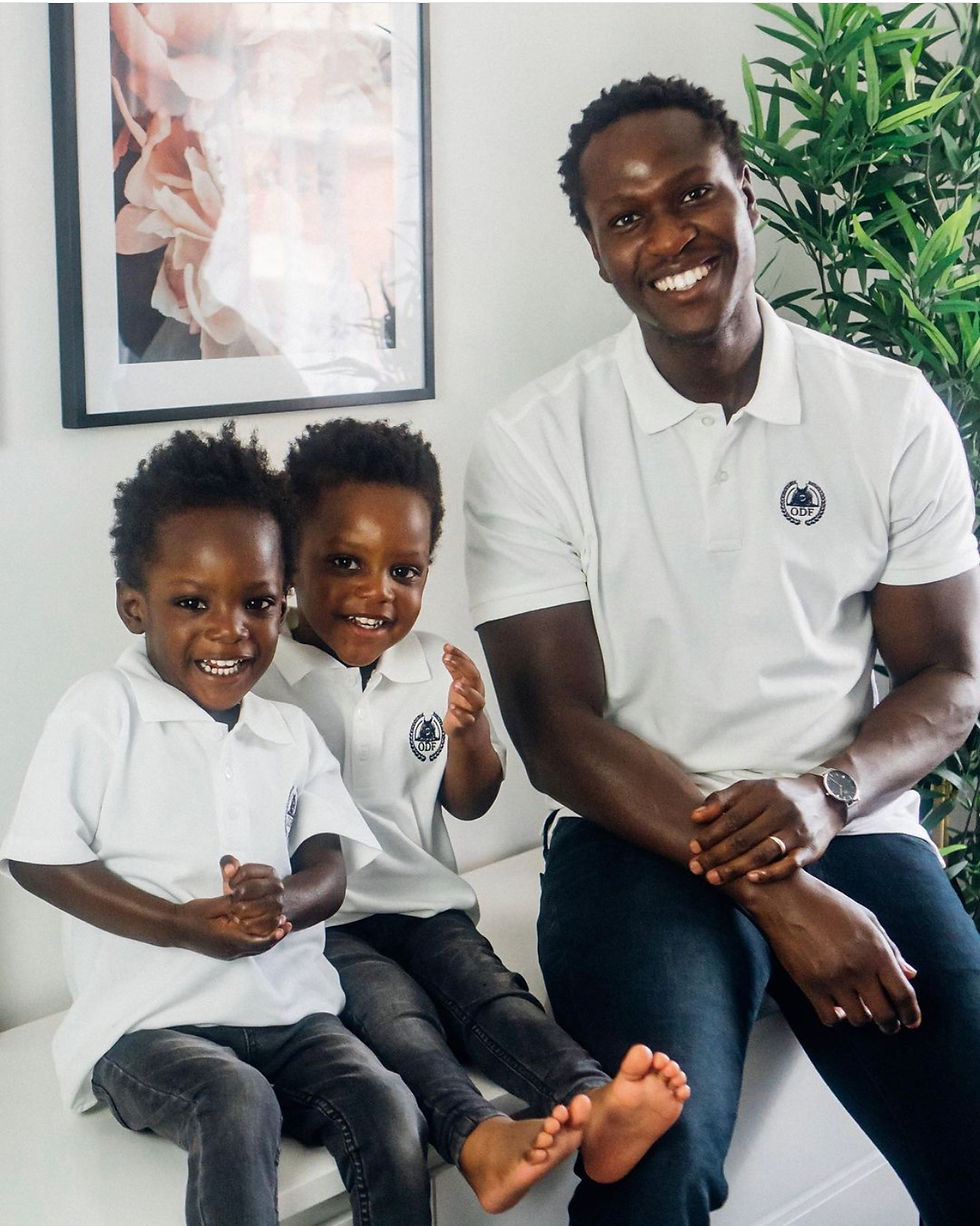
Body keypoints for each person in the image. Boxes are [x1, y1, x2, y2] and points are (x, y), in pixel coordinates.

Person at [464, 74, 980, 1226]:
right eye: (625, 218)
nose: (667, 237)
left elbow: (947, 678)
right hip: (630, 839)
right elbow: (554, 728)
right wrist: (775, 887)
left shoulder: (886, 411)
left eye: (692, 194)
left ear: (744, 197)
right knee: (656, 1162)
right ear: (596, 252)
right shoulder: (533, 441)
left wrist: (823, 792)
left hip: (844, 818)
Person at [0, 423, 443, 1226]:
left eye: (258, 602)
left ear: (285, 600)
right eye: (191, 603)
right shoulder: (103, 712)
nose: (229, 628)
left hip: (289, 1013)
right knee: (236, 1102)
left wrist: (286, 903)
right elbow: (37, 860)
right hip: (149, 1027)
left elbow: (329, 870)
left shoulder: (287, 731)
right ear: (135, 608)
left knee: (386, 1104)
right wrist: (176, 924)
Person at [255, 416, 690, 1215]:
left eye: (405, 571)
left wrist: (471, 736)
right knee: (395, 1016)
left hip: (425, 903)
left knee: (491, 995)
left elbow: (471, 798)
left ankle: (593, 1100)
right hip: (325, 926)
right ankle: (472, 1134)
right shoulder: (259, 676)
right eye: (344, 562)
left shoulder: (435, 664)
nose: (376, 593)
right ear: (286, 562)